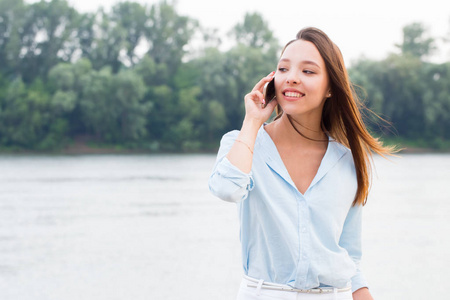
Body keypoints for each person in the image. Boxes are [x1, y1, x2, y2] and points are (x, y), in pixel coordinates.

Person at [209, 27, 395, 300]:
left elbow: (350, 257)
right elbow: (226, 189)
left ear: (331, 87)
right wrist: (252, 122)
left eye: (307, 71)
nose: (292, 79)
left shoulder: (347, 160)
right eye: (283, 69)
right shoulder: (242, 143)